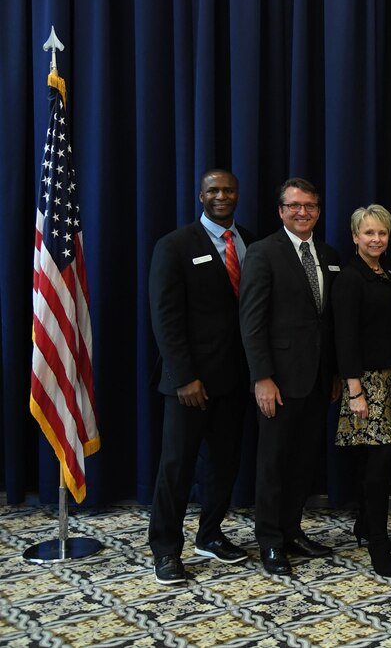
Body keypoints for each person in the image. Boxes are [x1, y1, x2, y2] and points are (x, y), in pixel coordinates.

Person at [147, 169, 254, 585]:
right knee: (176, 468)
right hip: (189, 385)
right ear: (201, 196)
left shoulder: (251, 241)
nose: (222, 196)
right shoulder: (174, 246)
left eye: (228, 189)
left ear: (238, 195)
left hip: (234, 380)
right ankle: (166, 550)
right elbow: (165, 319)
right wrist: (184, 376)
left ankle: (210, 534)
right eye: (214, 190)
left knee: (225, 465)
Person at [239, 177, 341, 577]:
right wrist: (261, 377)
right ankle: (270, 541)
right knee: (274, 464)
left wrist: (331, 373)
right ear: (281, 211)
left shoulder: (329, 255)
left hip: (317, 380)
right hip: (278, 382)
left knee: (302, 462)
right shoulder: (263, 253)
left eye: (310, 206)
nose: (303, 212)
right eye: (295, 206)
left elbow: (328, 323)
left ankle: (292, 530)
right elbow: (251, 323)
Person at [332, 204, 391, 579]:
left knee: (379, 463)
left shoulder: (387, 275)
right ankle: (378, 546)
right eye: (369, 233)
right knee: (376, 469)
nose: (376, 239)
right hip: (365, 385)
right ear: (355, 237)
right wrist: (355, 391)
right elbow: (343, 338)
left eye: (382, 233)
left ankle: (365, 526)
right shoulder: (350, 278)